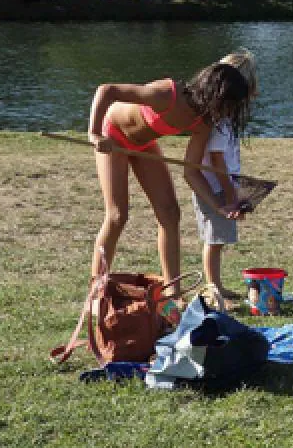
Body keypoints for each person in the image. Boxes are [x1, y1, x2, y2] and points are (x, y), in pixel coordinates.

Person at [86, 57, 254, 290]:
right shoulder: (167, 94)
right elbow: (108, 90)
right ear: (217, 96)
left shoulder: (203, 123)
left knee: (170, 213)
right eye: (229, 106)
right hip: (113, 136)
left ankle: (172, 291)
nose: (229, 113)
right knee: (117, 216)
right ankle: (97, 290)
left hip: (143, 145)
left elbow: (191, 172)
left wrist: (219, 206)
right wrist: (95, 134)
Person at [191, 50, 259, 301]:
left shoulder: (226, 118)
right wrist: (230, 194)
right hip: (214, 188)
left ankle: (217, 284)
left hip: (223, 185)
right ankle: (213, 288)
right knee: (214, 239)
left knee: (218, 239)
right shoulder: (219, 121)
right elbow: (217, 160)